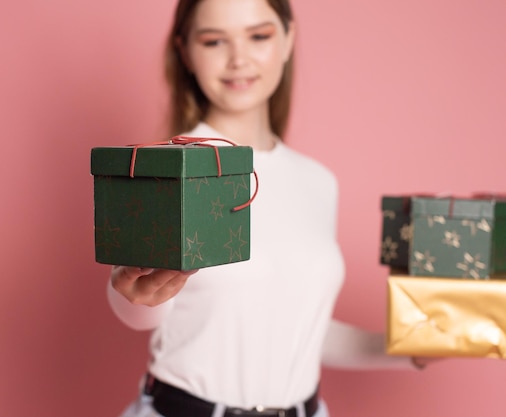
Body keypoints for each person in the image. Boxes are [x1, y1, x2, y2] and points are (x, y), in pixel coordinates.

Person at [107, 1, 432, 416]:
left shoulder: (318, 182)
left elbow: (301, 328)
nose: (239, 59)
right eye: (214, 41)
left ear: (288, 39)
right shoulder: (169, 169)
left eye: (258, 36)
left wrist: (414, 351)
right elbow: (138, 302)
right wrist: (132, 294)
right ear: (185, 51)